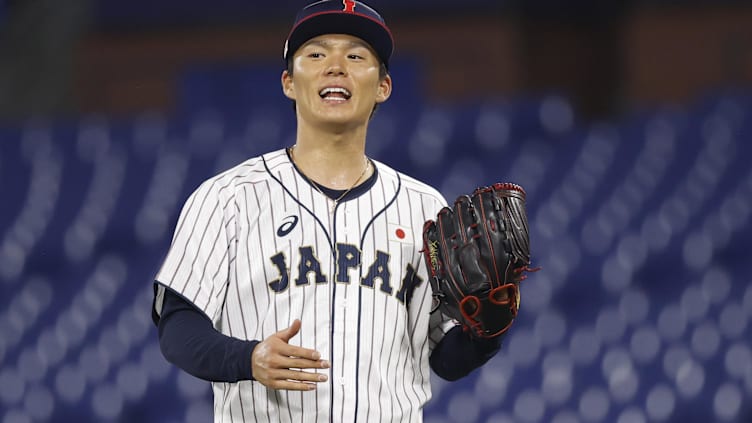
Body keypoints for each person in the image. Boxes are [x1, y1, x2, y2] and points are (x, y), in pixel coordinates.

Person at [152, 1, 503, 421]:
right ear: (288, 82)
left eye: (356, 56)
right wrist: (248, 358)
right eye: (316, 54)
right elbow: (178, 330)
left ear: (383, 87)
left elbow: (446, 359)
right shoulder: (228, 197)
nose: (336, 66)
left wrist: (490, 326)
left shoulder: (425, 208)